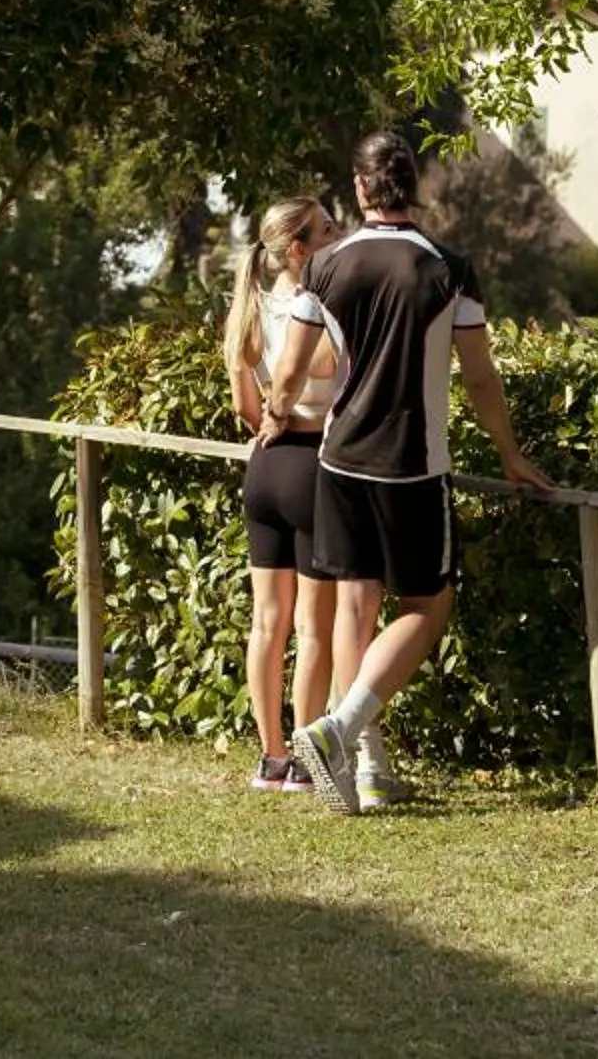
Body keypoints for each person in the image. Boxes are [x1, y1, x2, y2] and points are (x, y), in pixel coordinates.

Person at [260, 130, 554, 815]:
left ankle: (364, 769)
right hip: (412, 467)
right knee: (427, 606)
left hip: (337, 462)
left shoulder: (325, 269)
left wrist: (275, 415)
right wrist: (510, 451)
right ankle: (340, 731)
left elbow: (287, 375)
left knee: (355, 609)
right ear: (412, 184)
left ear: (360, 188)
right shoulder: (447, 267)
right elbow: (480, 378)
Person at [225, 198, 338, 792]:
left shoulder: (249, 309)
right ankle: (305, 756)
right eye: (326, 229)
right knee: (313, 629)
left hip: (263, 468)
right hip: (313, 465)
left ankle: (270, 758)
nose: (337, 234)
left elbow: (248, 406)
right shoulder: (316, 311)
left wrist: (272, 422)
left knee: (265, 624)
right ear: (299, 250)